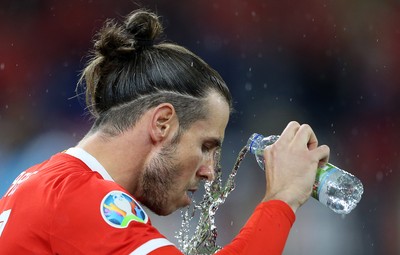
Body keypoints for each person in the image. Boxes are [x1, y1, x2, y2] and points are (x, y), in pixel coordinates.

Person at [0, 9, 329, 255]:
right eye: (206, 145)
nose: (210, 172)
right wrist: (282, 197)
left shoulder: (43, 182)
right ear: (162, 125)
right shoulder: (83, 198)